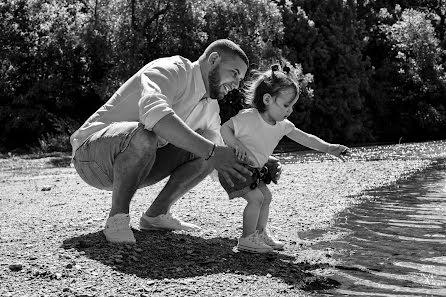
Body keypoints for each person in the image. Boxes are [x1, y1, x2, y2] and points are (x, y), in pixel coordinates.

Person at [70, 39, 283, 244]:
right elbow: (154, 115)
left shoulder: (210, 107)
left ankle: (156, 215)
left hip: (137, 165)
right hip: (91, 156)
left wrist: (259, 161)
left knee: (209, 143)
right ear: (214, 59)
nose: (237, 85)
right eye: (234, 73)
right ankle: (117, 219)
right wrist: (213, 152)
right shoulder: (171, 69)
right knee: (147, 134)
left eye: (240, 78)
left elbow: (221, 155)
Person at [218, 64, 350, 253]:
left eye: (292, 106)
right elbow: (225, 129)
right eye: (286, 105)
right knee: (256, 199)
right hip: (234, 166)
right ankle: (247, 239)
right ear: (267, 99)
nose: (289, 111)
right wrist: (236, 145)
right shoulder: (249, 117)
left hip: (253, 170)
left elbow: (306, 138)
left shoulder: (282, 125)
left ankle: (260, 233)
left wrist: (329, 148)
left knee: (266, 197)